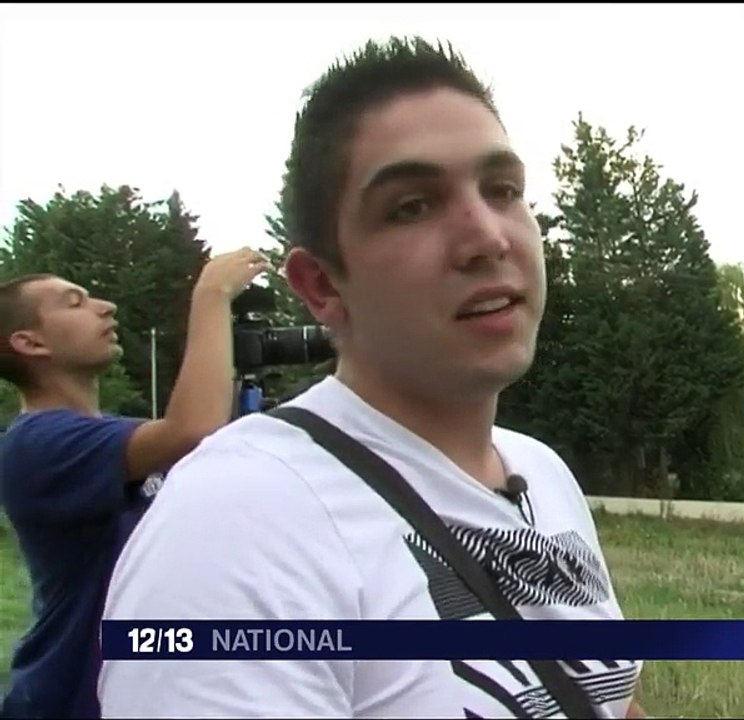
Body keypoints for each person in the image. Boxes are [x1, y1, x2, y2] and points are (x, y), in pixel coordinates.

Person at [98, 37, 646, 719]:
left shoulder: (542, 473)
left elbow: (604, 699)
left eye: (503, 189)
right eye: (411, 206)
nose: (488, 236)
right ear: (322, 286)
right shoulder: (240, 521)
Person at [0, 248, 270, 719]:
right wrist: (212, 294)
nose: (106, 306)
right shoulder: (38, 444)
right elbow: (192, 429)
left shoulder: (112, 434)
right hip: (74, 699)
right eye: (74, 302)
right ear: (29, 342)